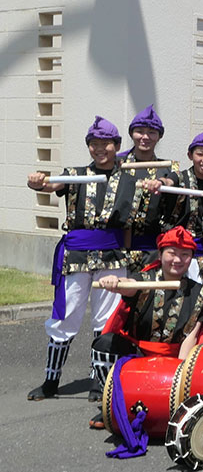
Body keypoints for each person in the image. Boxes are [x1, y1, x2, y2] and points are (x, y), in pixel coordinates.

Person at [26, 117, 133, 402]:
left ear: (117, 146)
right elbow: (49, 185)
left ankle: (100, 382)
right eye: (94, 144)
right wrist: (36, 181)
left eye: (106, 144)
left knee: (105, 319)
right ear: (88, 147)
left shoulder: (130, 178)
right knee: (66, 315)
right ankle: (51, 380)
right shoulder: (74, 174)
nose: (100, 149)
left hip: (111, 255)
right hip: (76, 255)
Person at [88, 226, 203, 428]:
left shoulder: (200, 292)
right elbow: (127, 286)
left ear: (191, 258)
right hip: (138, 354)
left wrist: (179, 373)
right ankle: (110, 405)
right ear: (161, 254)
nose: (178, 260)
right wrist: (115, 281)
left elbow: (192, 336)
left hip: (175, 358)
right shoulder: (144, 279)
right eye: (172, 253)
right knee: (105, 344)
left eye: (185, 254)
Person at [119, 105, 178, 271]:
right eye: (140, 131)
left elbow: (174, 181)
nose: (145, 137)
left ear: (159, 136)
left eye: (151, 132)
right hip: (119, 247)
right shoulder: (118, 164)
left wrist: (162, 182)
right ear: (131, 134)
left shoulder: (168, 168)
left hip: (154, 246)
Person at [165, 128, 203, 281]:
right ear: (190, 155)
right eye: (200, 154)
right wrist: (158, 183)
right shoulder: (179, 178)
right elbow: (167, 181)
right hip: (177, 254)